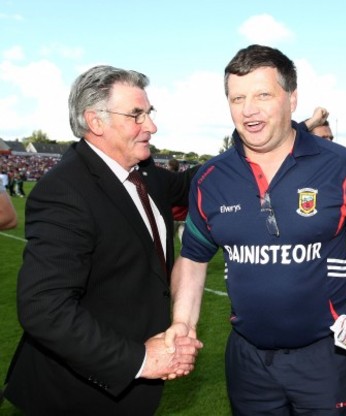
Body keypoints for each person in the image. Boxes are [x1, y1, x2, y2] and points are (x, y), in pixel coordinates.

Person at [165, 44, 346, 415]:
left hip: (326, 355)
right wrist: (183, 323)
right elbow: (193, 259)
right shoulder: (210, 178)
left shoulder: (341, 165)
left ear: (292, 98)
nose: (248, 109)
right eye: (237, 98)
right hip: (247, 358)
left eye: (262, 95)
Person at [3, 65, 203, 415]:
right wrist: (140, 360)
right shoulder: (65, 191)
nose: (151, 126)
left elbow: (199, 181)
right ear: (96, 121)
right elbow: (44, 307)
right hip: (75, 395)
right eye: (136, 115)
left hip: (127, 395)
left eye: (149, 113)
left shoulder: (146, 176)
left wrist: (273, 131)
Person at [167, 158, 189, 241]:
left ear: (170, 166)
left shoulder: (167, 179)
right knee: (186, 244)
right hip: (184, 216)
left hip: (172, 216)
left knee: (166, 243)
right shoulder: (185, 178)